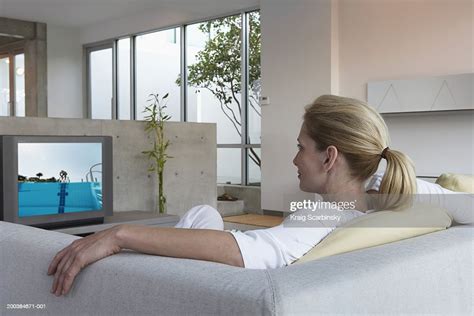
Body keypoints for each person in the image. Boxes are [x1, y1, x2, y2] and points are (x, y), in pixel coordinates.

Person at [45, 95, 462, 297]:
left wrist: (120, 235)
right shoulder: (399, 191)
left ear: (330, 156)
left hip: (227, 284)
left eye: (301, 147)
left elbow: (253, 252)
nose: (295, 158)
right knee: (205, 210)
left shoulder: (322, 217)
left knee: (200, 217)